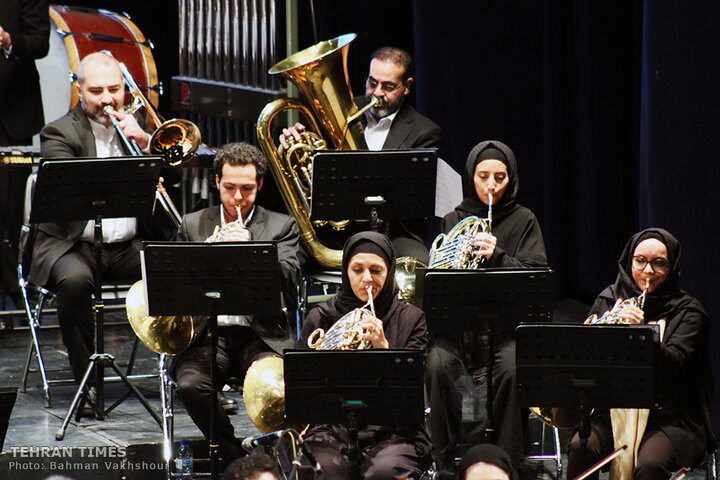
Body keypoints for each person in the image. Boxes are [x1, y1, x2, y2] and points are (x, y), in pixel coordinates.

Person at [29, 52, 159, 407]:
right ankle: (86, 379)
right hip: (74, 245)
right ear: (80, 90)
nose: (107, 99)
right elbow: (71, 185)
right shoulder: (58, 131)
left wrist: (147, 143)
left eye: (114, 89)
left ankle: (186, 377)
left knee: (177, 269)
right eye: (97, 90)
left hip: (128, 245)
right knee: (73, 282)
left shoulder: (139, 129)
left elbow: (176, 173)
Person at [171, 142, 301, 463]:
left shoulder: (281, 226)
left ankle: (280, 460)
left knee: (281, 388)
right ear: (217, 183)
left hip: (260, 334)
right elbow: (173, 283)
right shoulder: (192, 224)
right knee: (190, 385)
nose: (238, 198)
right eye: (229, 188)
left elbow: (290, 277)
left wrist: (252, 251)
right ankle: (235, 458)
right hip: (207, 333)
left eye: (247, 189)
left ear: (259, 185)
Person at [425, 140, 548, 472]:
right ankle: (446, 461)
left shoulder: (524, 219)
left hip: (508, 329)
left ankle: (506, 463)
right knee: (437, 363)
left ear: (511, 179)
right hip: (461, 329)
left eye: (500, 177)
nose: (491, 186)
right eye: (483, 177)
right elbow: (437, 278)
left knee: (512, 366)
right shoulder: (454, 218)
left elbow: (536, 277)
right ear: (471, 177)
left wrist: (499, 258)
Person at [566, 228, 715, 480]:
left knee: (650, 464)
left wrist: (643, 334)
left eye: (659, 264)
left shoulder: (688, 312)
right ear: (628, 261)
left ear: (671, 267)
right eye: (640, 261)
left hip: (668, 417)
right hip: (611, 410)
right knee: (582, 447)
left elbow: (677, 364)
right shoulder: (608, 300)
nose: (648, 271)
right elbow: (585, 361)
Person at [280, 46, 442, 261]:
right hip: (334, 231)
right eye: (372, 83)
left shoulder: (424, 131)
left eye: (388, 86)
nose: (377, 93)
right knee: (286, 260)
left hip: (393, 233)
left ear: (407, 86)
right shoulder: (342, 110)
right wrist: (294, 144)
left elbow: (411, 202)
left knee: (416, 266)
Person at [298, 231, 431, 479]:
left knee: (384, 472)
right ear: (346, 273)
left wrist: (383, 348)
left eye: (376, 270)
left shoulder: (412, 318)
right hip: (330, 428)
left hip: (395, 429)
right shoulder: (320, 317)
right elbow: (302, 385)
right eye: (357, 270)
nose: (367, 279)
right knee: (325, 471)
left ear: (389, 272)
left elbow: (413, 389)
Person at [0, 0, 49, 306]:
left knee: (9, 213)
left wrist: (8, 41)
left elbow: (39, 41)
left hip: (11, 113)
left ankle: (15, 293)